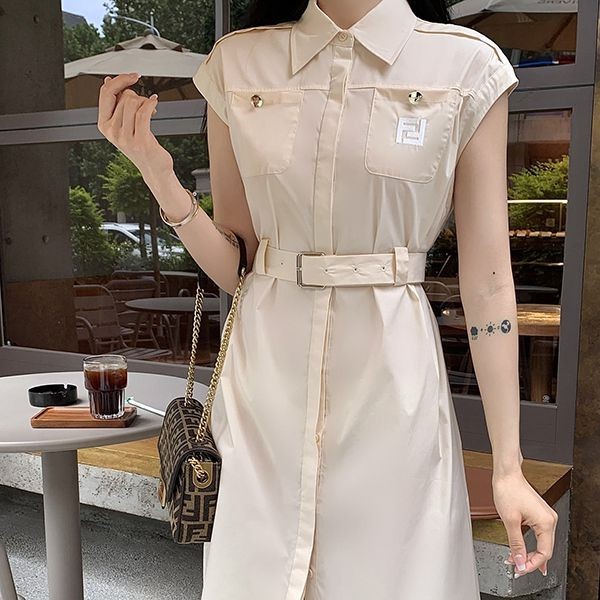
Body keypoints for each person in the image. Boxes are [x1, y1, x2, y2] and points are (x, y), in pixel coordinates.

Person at [97, 0, 559, 597]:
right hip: (262, 396)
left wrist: (508, 466)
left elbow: (490, 282)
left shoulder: (465, 67)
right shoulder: (239, 63)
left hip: (391, 395)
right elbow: (239, 266)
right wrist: (157, 174)